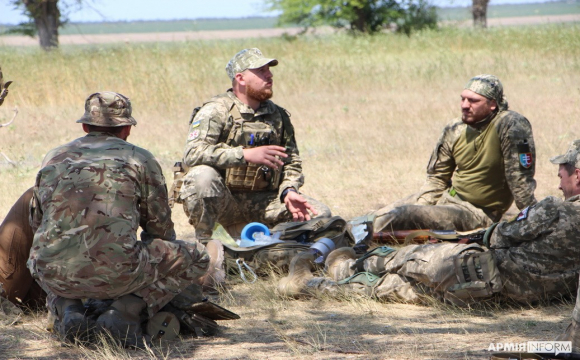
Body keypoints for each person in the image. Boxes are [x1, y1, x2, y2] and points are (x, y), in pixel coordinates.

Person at [279, 140, 580, 308]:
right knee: (399, 289)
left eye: (563, 171)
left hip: (478, 272)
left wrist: (481, 235)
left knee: (405, 257)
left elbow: (502, 237)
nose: (558, 180)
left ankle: (339, 268)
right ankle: (315, 285)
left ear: (577, 175)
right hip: (502, 296)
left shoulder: (555, 209)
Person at [25, 92, 221, 347]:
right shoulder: (140, 159)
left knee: (38, 257)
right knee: (197, 256)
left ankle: (67, 306)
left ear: (85, 126)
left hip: (53, 270)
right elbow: (159, 231)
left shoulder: (54, 156)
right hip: (119, 273)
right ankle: (126, 309)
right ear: (127, 129)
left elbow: (38, 223)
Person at [176, 48, 331, 242]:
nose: (270, 75)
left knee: (321, 216)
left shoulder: (278, 115)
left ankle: (269, 244)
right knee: (202, 176)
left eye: (269, 70)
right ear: (240, 78)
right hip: (225, 203)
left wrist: (288, 191)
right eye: (261, 71)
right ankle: (207, 247)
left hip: (265, 202)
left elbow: (291, 161)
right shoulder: (216, 111)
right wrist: (245, 155)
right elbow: (193, 153)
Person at [369, 74, 537, 234]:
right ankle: (347, 235)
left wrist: (535, 222)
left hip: (476, 213)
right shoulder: (455, 128)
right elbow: (437, 178)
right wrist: (423, 207)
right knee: (378, 216)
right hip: (447, 198)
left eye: (473, 101)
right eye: (463, 99)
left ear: (492, 104)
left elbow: (520, 181)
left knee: (403, 215)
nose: (464, 105)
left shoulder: (509, 125)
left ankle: (357, 240)